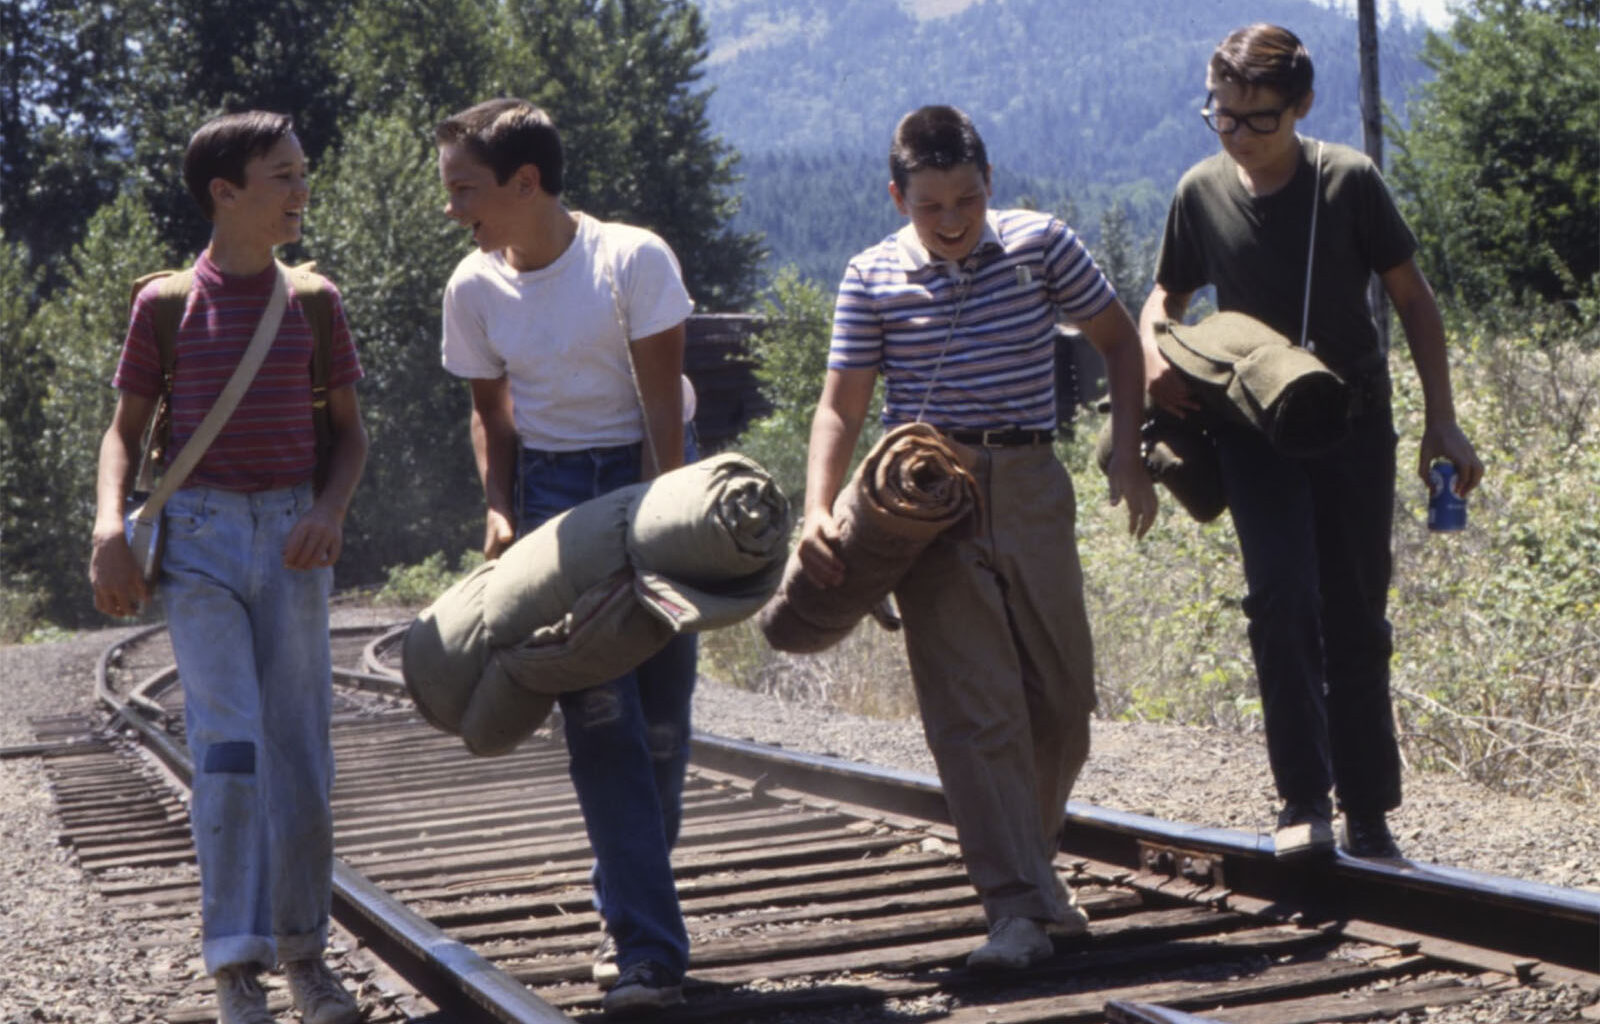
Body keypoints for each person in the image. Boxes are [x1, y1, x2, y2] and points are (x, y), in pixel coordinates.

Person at [798, 105, 1158, 971]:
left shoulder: (1043, 246)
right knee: (977, 712)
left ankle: (1028, 873)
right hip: (927, 497)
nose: (953, 220)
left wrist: (1129, 455)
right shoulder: (870, 275)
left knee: (1062, 704)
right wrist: (817, 508)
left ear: (989, 185)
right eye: (930, 206)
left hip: (1032, 482)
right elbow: (840, 404)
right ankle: (1016, 908)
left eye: (966, 199)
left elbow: (1119, 342)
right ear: (898, 198)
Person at [1139, 24, 1483, 861]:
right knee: (1281, 604)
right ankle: (1304, 803)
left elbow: (1414, 299)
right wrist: (1154, 354)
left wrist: (1443, 419)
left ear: (1301, 106)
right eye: (1223, 117)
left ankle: (1369, 813)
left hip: (1358, 428)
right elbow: (1164, 297)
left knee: (1355, 617)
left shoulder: (1348, 182)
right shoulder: (1199, 191)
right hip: (1257, 436)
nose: (1240, 137)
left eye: (1260, 120)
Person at [87, 111, 369, 1024]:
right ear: (226, 193)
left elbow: (352, 436)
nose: (301, 191)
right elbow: (124, 435)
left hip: (293, 538)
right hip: (200, 541)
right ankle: (235, 970)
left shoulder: (317, 301)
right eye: (282, 176)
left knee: (302, 756)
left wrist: (329, 511)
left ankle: (306, 960)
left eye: (302, 172)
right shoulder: (166, 306)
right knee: (232, 751)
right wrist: (107, 528)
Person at [434, 97, 697, 1014]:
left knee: (661, 720)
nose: (453, 208)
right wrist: (500, 509)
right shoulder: (471, 286)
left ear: (527, 182)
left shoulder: (630, 258)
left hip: (649, 475)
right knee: (598, 721)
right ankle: (649, 953)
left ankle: (628, 904)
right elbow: (489, 413)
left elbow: (662, 406)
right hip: (550, 500)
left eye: (464, 189)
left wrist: (670, 526)